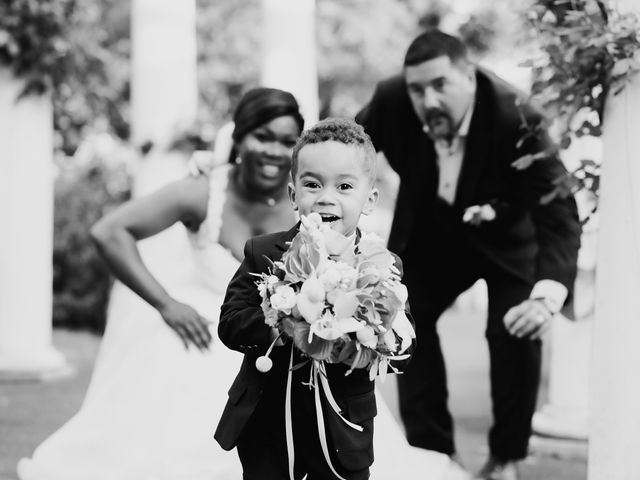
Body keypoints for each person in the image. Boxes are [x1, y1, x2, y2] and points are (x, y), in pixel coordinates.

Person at [17, 87, 304, 480]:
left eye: (287, 141)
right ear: (238, 138)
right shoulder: (203, 192)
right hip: (205, 330)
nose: (274, 151)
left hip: (278, 339)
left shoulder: (306, 198)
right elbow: (109, 232)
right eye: (263, 136)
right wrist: (166, 304)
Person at [355, 30, 582, 480]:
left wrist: (547, 295)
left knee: (514, 327)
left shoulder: (518, 117)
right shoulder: (391, 99)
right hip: (431, 238)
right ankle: (432, 453)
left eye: (441, 85)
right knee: (405, 318)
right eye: (418, 89)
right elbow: (344, 147)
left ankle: (507, 458)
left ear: (469, 76)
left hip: (507, 242)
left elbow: (558, 213)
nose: (428, 99)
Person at [216, 117, 415, 480]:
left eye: (343, 186)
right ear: (294, 195)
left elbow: (402, 343)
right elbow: (230, 324)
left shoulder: (381, 265)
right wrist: (284, 312)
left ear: (369, 199)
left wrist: (368, 335)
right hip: (268, 425)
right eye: (312, 184)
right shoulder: (264, 253)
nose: (326, 197)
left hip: (344, 430)